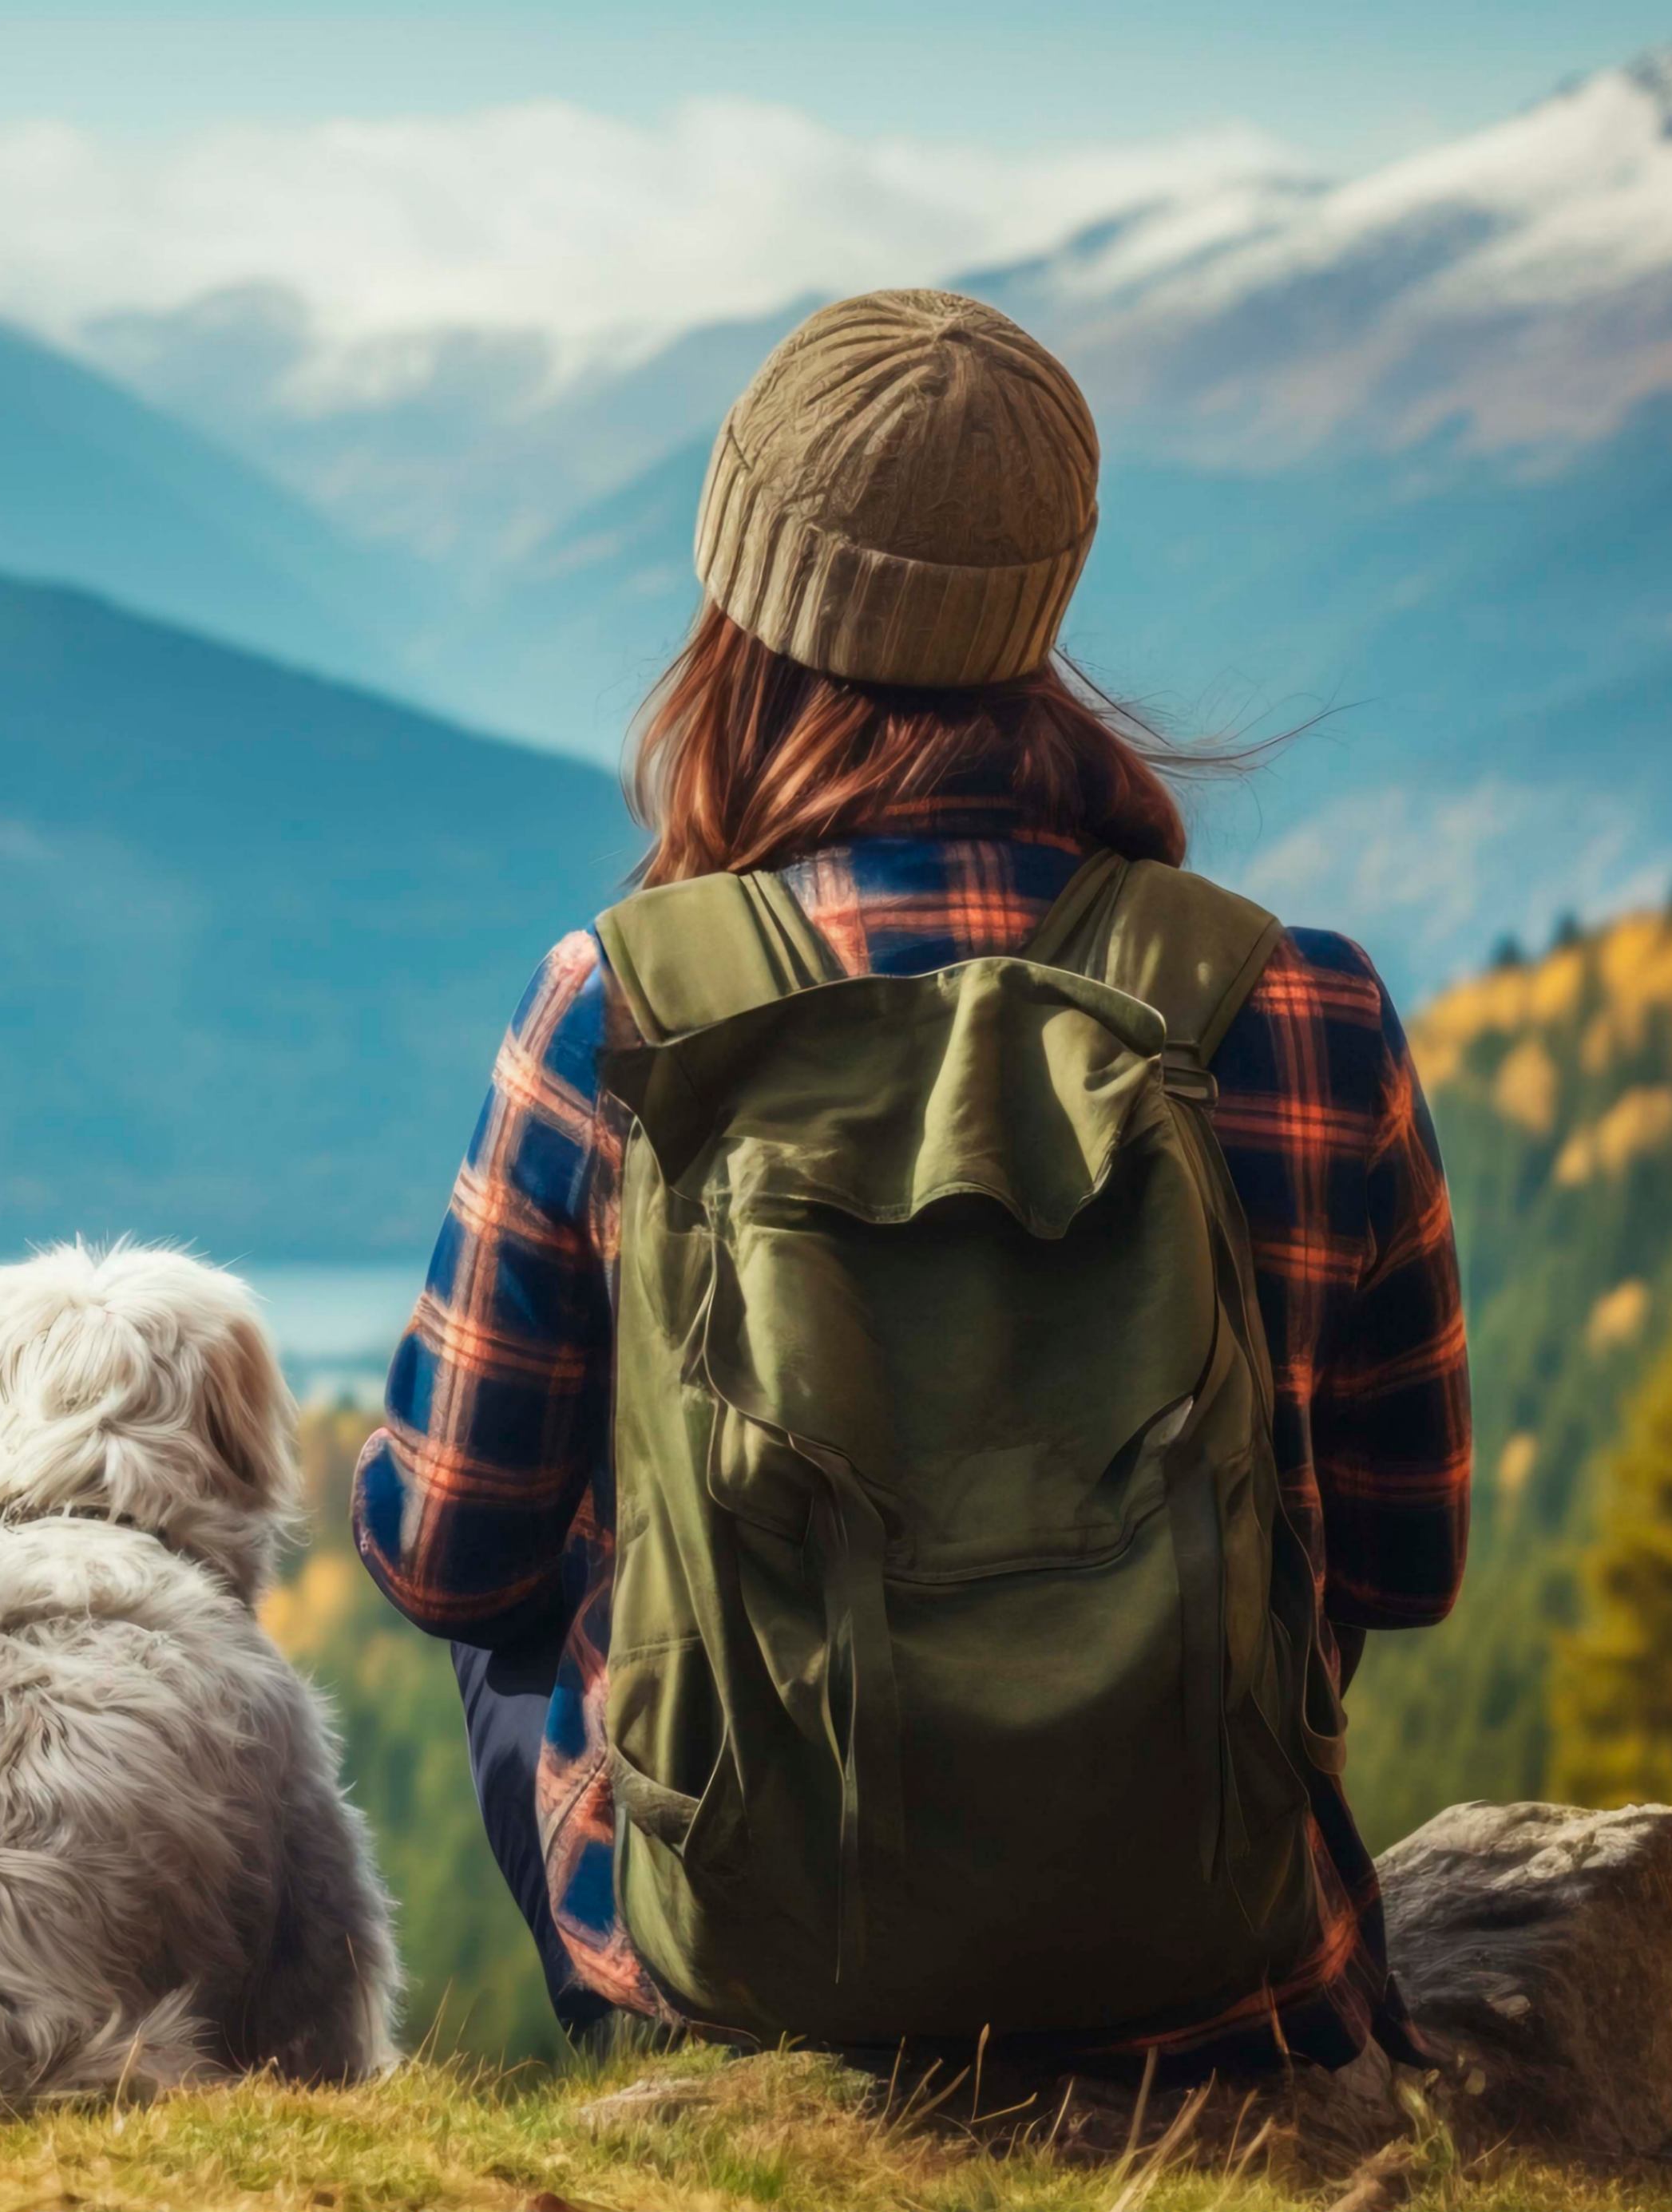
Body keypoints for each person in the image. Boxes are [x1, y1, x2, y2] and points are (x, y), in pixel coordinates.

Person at [351, 290, 1472, 2072]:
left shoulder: (621, 1010)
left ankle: (706, 2000)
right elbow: (1402, 1559)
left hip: (744, 1985)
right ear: (1046, 596)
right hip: (1218, 1979)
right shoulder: (1304, 1004)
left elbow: (442, 1554)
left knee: (526, 1598)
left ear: (746, 597)